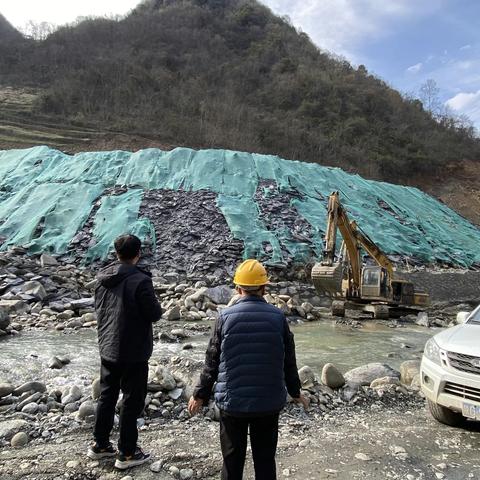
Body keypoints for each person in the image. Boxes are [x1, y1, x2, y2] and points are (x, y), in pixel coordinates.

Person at [188, 259, 308, 480]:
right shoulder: (278, 317)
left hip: (233, 403)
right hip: (268, 403)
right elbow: (288, 360)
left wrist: (200, 394)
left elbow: (211, 360)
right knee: (264, 460)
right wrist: (295, 391)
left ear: (237, 288)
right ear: (264, 288)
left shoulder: (224, 317)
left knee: (232, 461)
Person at [87, 234, 162, 470]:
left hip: (108, 346)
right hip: (133, 350)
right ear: (138, 253)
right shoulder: (141, 280)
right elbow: (154, 314)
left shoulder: (102, 278)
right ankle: (127, 452)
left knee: (107, 396)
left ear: (116, 253)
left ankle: (100, 445)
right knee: (131, 400)